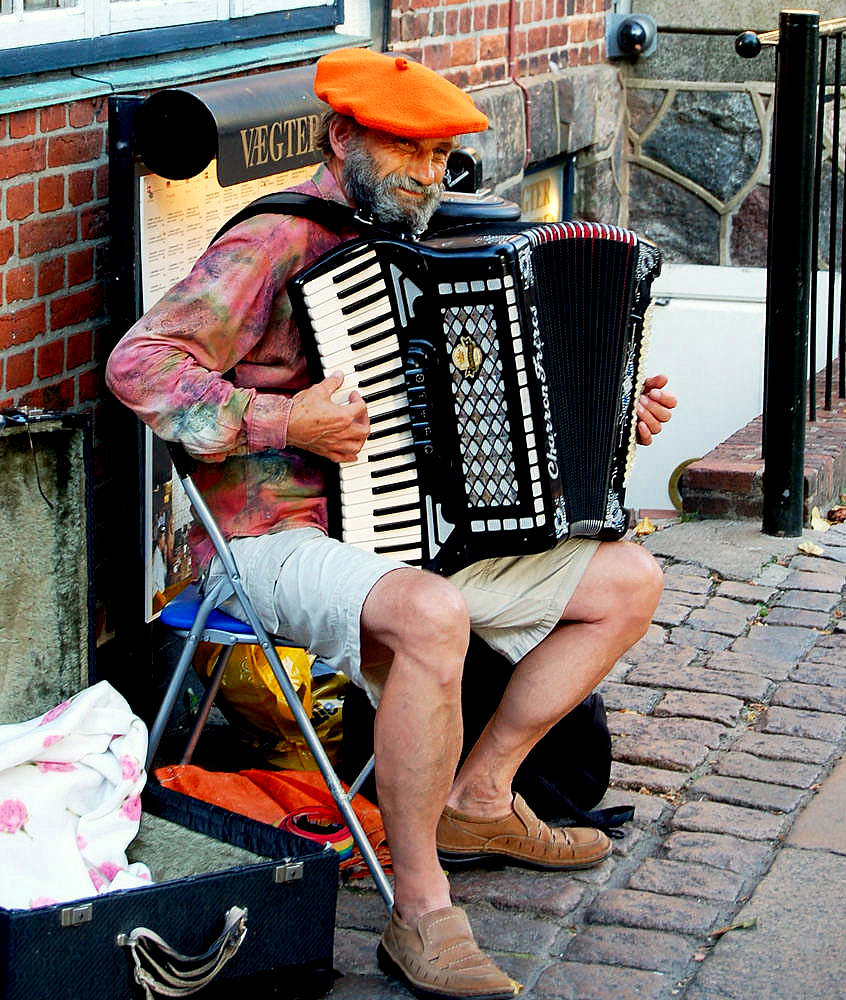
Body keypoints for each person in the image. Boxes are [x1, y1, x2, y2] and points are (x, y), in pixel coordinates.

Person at [107, 47, 676, 1000]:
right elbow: (140, 367)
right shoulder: (275, 244)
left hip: (409, 536)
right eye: (407, 150)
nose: (427, 172)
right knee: (429, 616)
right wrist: (288, 419)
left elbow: (509, 404)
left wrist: (615, 409)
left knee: (628, 580)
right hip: (265, 541)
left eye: (439, 152)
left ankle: (482, 796)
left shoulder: (437, 241)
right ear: (342, 136)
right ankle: (421, 911)